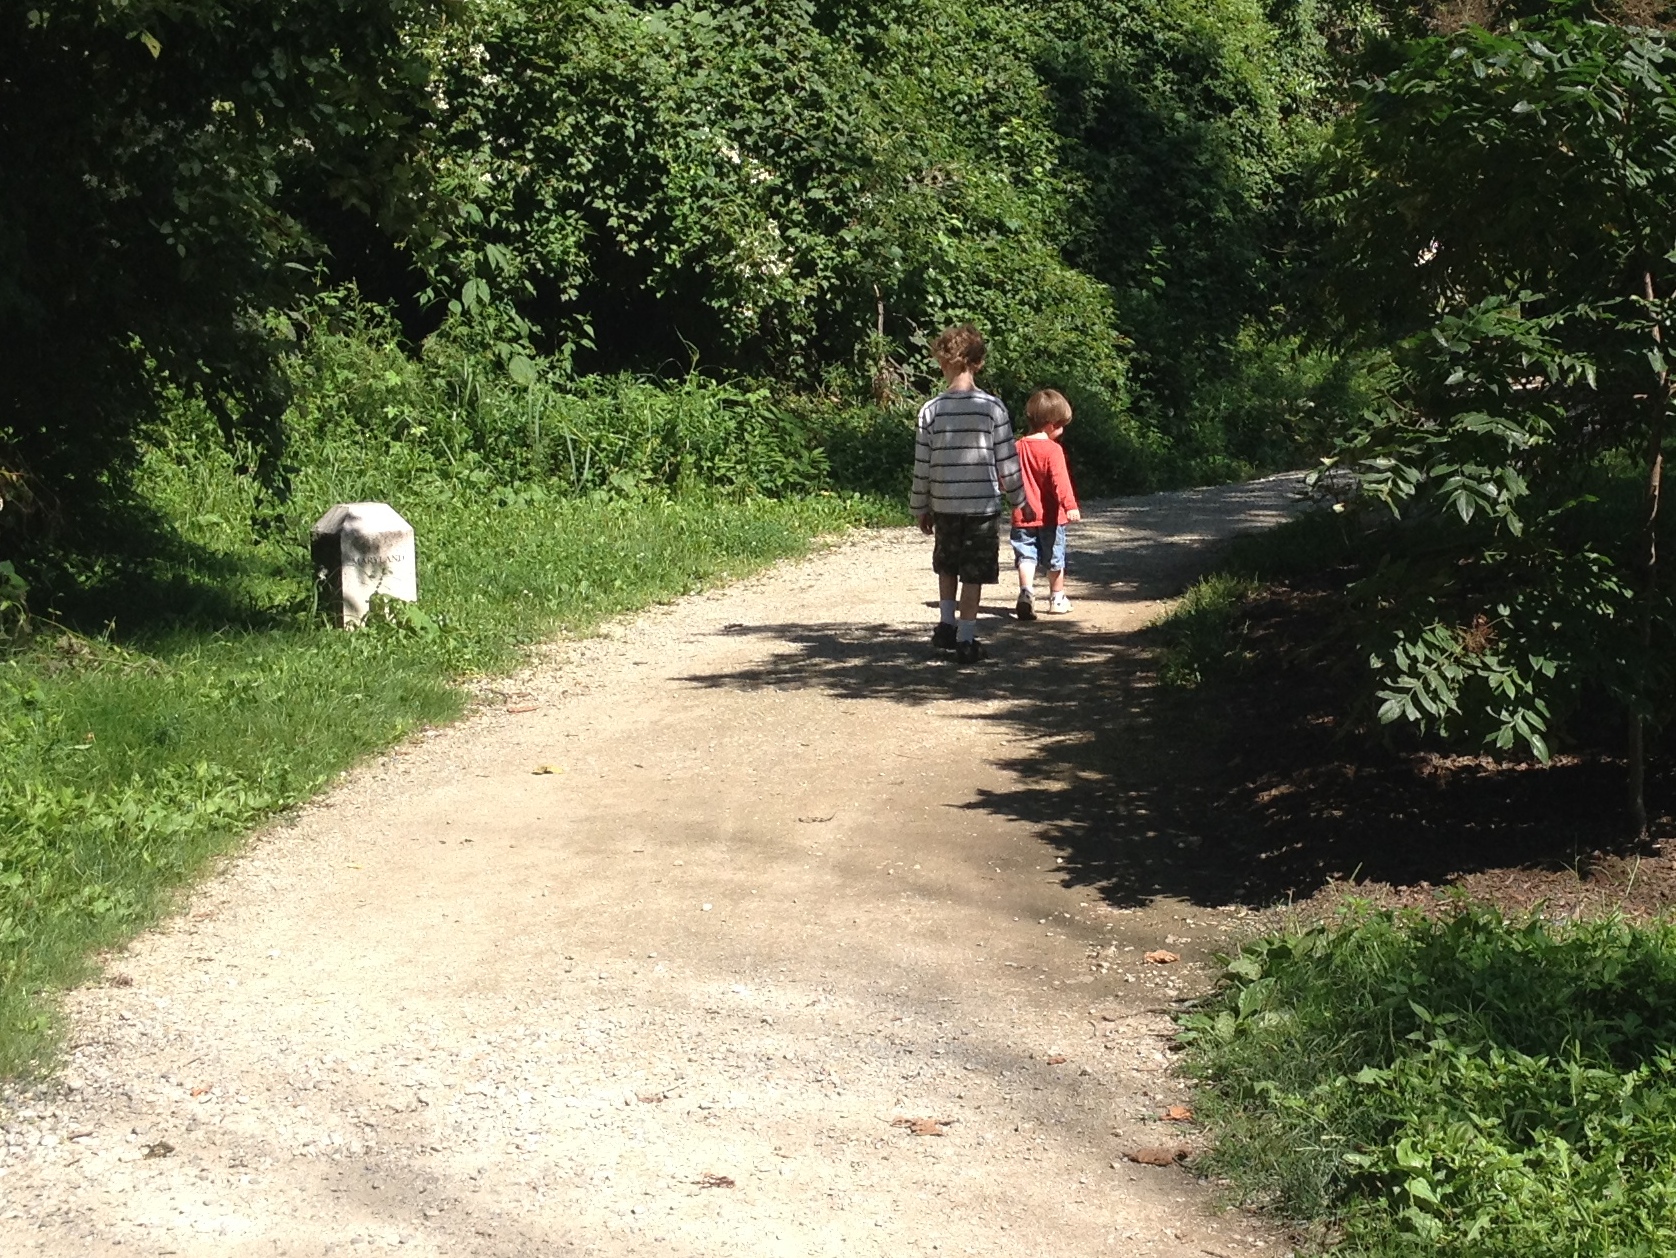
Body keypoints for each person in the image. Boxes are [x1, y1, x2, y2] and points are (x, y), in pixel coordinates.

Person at [908, 324, 1023, 665]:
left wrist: (921, 505)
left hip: (944, 504)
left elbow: (922, 464)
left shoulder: (931, 410)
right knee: (973, 572)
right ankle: (967, 638)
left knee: (947, 565)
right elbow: (1006, 459)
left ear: (942, 362)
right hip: (981, 508)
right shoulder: (992, 408)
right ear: (979, 362)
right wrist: (1019, 499)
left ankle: (946, 624)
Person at [1010, 388, 1081, 621]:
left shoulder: (1017, 447)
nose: (1062, 432)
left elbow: (1007, 477)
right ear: (1051, 425)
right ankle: (1057, 598)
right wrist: (1070, 506)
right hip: (1051, 516)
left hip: (1022, 515)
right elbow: (1060, 481)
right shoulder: (1053, 450)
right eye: (1061, 426)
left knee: (1026, 556)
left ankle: (1026, 592)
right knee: (1054, 558)